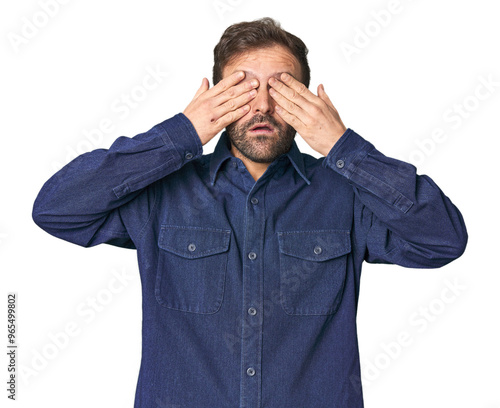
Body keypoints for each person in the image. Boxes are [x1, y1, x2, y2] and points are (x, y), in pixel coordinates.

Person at [32, 17, 467, 408]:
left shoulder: (347, 196)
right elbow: (56, 209)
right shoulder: (162, 191)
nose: (261, 106)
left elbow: (443, 239)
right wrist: (179, 134)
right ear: (215, 96)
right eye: (243, 88)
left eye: (280, 89)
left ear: (307, 99)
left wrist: (344, 148)